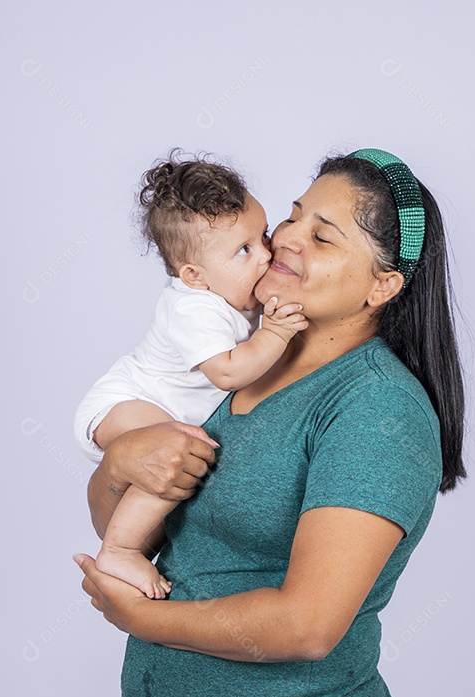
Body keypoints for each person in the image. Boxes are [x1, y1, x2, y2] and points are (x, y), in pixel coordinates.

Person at [75, 148, 467, 697]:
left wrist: (140, 618)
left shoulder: (375, 409)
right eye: (293, 214)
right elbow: (135, 528)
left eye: (323, 236)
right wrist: (120, 462)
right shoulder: (236, 363)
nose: (285, 239)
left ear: (381, 286)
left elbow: (305, 626)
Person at [73, 151, 307, 599]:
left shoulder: (227, 293)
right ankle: (120, 549)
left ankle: (125, 543)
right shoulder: (193, 306)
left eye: (261, 236)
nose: (265, 255)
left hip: (155, 401)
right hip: (127, 399)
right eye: (244, 250)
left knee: (180, 456)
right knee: (175, 452)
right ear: (194, 275)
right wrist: (275, 333)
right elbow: (228, 372)